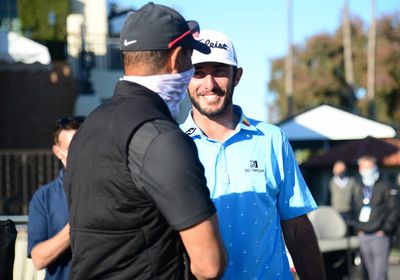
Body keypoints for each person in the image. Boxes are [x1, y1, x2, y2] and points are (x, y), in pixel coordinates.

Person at [63, 3, 226, 280]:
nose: (191, 70)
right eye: (191, 60)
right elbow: (209, 265)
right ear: (176, 58)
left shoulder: (89, 126)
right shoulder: (159, 137)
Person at [181, 29, 325, 279]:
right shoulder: (172, 143)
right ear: (184, 78)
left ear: (237, 76)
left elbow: (296, 227)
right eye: (199, 72)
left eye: (219, 71)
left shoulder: (271, 138)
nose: (209, 84)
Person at [27, 116, 84, 280]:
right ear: (57, 152)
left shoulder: (112, 188)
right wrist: (76, 224)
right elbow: (38, 259)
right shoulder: (44, 197)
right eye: (73, 149)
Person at [354, 155, 400, 280]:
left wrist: (385, 230)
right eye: (362, 167)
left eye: (368, 167)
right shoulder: (359, 186)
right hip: (364, 233)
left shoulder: (386, 185)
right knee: (368, 272)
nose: (365, 170)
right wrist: (358, 228)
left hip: (380, 235)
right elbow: (355, 209)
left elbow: (394, 210)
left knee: (379, 273)